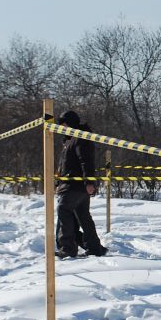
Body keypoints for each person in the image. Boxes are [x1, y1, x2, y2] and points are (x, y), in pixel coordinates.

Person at [54, 110, 107, 259]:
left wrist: (89, 181)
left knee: (64, 210)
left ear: (70, 123)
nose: (62, 128)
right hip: (71, 185)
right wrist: (58, 182)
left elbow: (86, 161)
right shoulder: (69, 140)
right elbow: (64, 165)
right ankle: (95, 248)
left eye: (64, 125)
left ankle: (68, 248)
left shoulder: (80, 138)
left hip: (74, 186)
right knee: (83, 216)